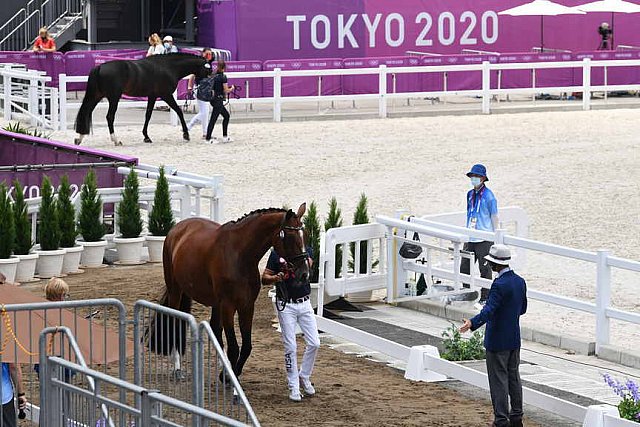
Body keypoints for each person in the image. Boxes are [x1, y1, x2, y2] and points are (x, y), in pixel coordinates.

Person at [460, 244, 527, 427]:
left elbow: (489, 310)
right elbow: (523, 309)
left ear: (496, 265)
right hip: (514, 338)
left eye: (490, 263)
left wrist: (472, 323)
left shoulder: (499, 285)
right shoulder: (520, 281)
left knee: (498, 382)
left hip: (497, 340)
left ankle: (501, 421)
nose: (489, 266)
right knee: (514, 378)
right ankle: (517, 417)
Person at [262, 248, 319, 402]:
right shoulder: (277, 253)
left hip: (305, 302)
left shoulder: (305, 249)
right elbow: (265, 277)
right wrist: (277, 277)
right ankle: (293, 385)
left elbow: (309, 265)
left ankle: (304, 376)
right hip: (286, 304)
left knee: (315, 343)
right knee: (290, 346)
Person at [461, 163, 498, 305]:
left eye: (476, 176)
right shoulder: (469, 194)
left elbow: (494, 217)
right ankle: (466, 293)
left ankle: (485, 297)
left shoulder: (489, 197)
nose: (474, 179)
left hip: (484, 238)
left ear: (483, 178)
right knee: (464, 267)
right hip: (470, 236)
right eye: (472, 176)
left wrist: (495, 236)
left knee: (485, 269)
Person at [205, 60, 234, 144]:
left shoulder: (213, 74)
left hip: (213, 99)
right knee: (213, 119)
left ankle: (225, 136)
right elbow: (226, 90)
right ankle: (208, 138)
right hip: (218, 100)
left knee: (226, 116)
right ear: (224, 67)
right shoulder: (223, 77)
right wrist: (231, 88)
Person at [187, 48, 214, 139]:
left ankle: (205, 133)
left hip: (205, 89)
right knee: (204, 112)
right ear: (203, 54)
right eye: (207, 54)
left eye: (210, 54)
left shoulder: (209, 64)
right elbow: (192, 76)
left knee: (204, 112)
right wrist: (190, 87)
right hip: (200, 88)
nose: (208, 56)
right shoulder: (199, 63)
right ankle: (188, 127)